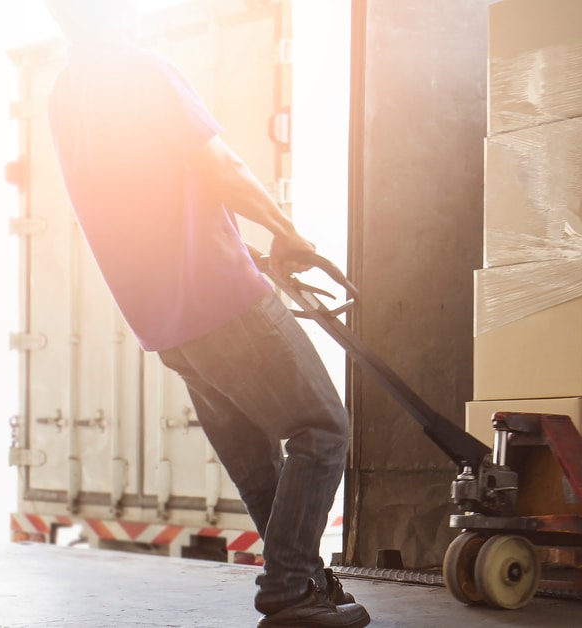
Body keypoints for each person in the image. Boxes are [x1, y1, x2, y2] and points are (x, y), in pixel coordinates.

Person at [43, 2, 369, 626]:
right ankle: (290, 592)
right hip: (221, 300)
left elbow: (136, 201)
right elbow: (219, 167)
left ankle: (306, 584)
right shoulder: (141, 71)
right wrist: (286, 233)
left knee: (255, 458)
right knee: (322, 428)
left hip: (168, 323)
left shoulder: (66, 95)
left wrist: (242, 249)